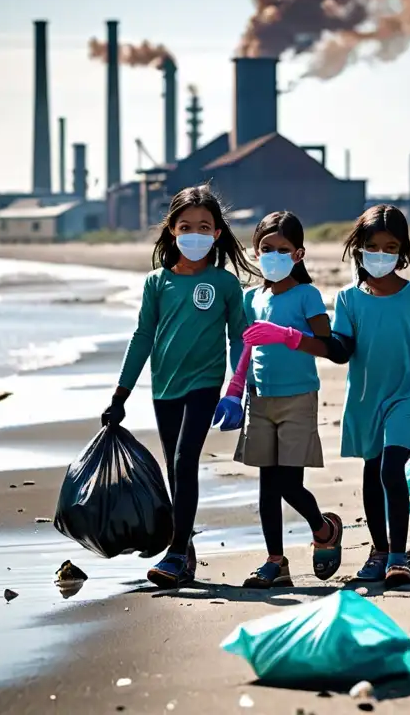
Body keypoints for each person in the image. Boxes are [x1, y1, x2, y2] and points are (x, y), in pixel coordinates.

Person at [243, 204, 410, 589]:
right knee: (370, 472)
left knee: (391, 470)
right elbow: (340, 348)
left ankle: (397, 557)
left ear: (403, 250)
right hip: (364, 399)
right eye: (373, 246)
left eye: (390, 247)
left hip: (408, 397)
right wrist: (302, 342)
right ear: (359, 248)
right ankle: (378, 551)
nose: (381, 255)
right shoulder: (348, 299)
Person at [102, 184, 259, 589]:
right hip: (164, 386)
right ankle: (185, 548)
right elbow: (142, 337)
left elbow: (240, 337)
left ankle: (174, 553)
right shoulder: (157, 283)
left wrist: (235, 391)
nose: (195, 233)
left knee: (186, 460)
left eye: (204, 227)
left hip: (204, 384)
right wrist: (120, 395)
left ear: (217, 234)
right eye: (186, 225)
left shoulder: (225, 285)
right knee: (175, 467)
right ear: (172, 230)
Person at [214, 212, 343, 589]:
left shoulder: (308, 295)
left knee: (289, 484)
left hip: (298, 399)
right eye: (266, 249)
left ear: (298, 254)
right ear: (255, 252)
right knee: (266, 487)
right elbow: (246, 349)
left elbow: (331, 348)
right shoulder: (252, 297)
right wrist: (234, 392)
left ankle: (324, 529)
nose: (273, 255)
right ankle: (275, 561)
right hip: (259, 400)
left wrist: (289, 336)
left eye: (282, 250)